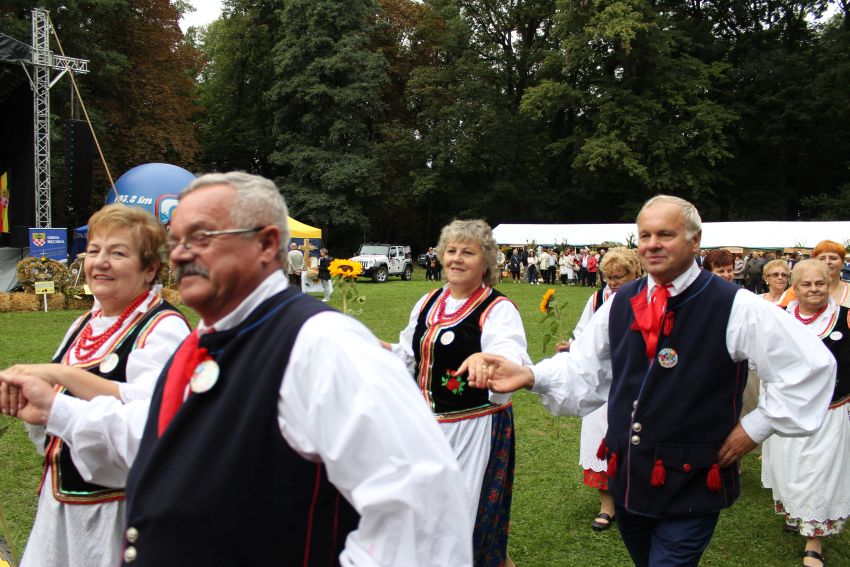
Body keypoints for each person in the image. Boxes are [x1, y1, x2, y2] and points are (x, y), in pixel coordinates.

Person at [0, 172, 473, 567]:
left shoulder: (323, 343)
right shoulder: (203, 343)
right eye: (176, 241)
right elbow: (154, 437)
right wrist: (57, 411)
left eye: (201, 237)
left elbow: (424, 508)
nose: (180, 254)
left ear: (267, 244)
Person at [459, 195, 836, 566]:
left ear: (695, 240)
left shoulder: (735, 305)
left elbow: (810, 367)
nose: (652, 244)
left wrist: (753, 429)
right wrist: (531, 375)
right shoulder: (620, 303)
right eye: (645, 235)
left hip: (693, 481)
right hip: (630, 478)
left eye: (665, 234)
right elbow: (584, 369)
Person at [0, 204, 191, 567]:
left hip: (121, 517)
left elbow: (153, 420)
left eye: (117, 253)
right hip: (62, 509)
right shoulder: (83, 324)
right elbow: (54, 433)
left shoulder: (163, 329)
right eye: (93, 250)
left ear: (150, 268)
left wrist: (61, 377)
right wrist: (29, 405)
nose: (100, 262)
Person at [385, 219, 530, 566]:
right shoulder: (428, 302)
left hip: (474, 427)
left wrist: (488, 360)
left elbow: (510, 354)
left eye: (468, 252)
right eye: (451, 251)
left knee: (465, 522)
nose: (457, 258)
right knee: (432, 517)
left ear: (486, 261)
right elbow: (407, 355)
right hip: (427, 429)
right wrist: (366, 345)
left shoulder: (497, 309)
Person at [761, 260, 850, 567]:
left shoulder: (845, 318)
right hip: (788, 413)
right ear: (795, 288)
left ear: (829, 284)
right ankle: (796, 512)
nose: (814, 289)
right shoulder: (780, 318)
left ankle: (814, 541)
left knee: (820, 474)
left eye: (820, 283)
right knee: (791, 471)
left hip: (829, 414)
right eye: (806, 284)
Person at [558, 247, 641, 532]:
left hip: (633, 382)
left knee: (634, 439)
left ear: (635, 273)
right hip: (600, 384)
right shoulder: (596, 299)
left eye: (619, 277)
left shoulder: (647, 298)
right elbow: (583, 333)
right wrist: (572, 346)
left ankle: (634, 501)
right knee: (599, 439)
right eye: (609, 277)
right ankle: (607, 506)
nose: (613, 282)